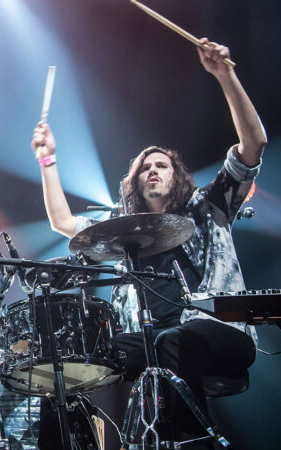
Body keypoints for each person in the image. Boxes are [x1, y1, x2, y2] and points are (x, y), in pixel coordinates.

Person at [30, 39, 266, 445]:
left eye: (162, 165)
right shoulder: (121, 229)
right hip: (148, 337)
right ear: (135, 182)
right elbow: (64, 222)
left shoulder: (209, 207)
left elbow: (253, 145)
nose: (153, 170)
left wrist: (224, 75)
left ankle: (189, 442)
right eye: (145, 167)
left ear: (177, 176)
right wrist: (47, 160)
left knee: (170, 341)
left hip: (218, 331)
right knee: (65, 365)